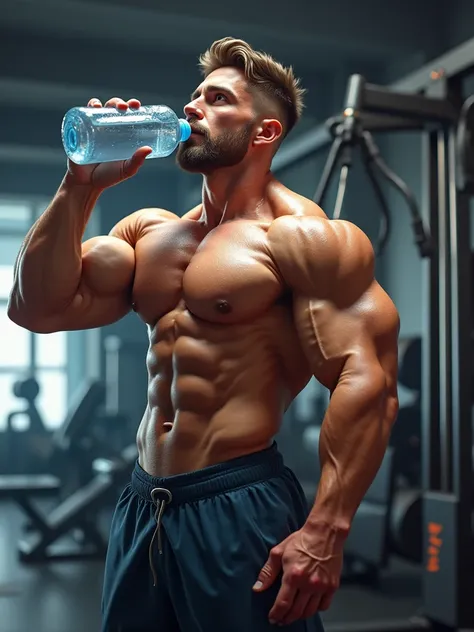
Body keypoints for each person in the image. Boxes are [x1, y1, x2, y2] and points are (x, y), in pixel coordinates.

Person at [8, 37, 399, 631]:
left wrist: (325, 531)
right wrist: (79, 185)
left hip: (238, 500)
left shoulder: (302, 238)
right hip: (143, 502)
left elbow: (367, 380)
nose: (192, 108)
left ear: (264, 133)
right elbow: (35, 309)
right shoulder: (149, 233)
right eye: (194, 96)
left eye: (217, 99)